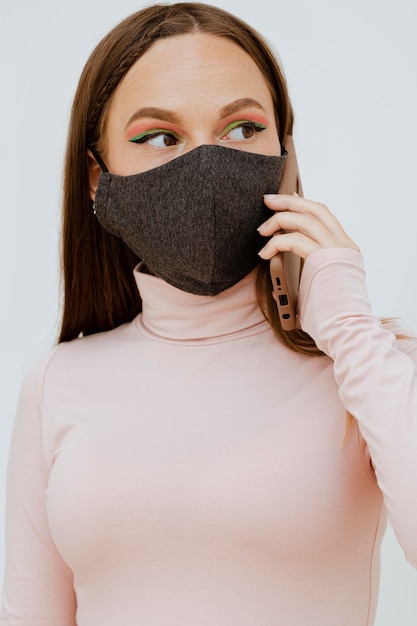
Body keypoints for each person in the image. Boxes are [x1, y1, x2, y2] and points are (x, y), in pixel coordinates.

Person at [1, 2, 416, 625]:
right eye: (159, 137)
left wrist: (350, 328)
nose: (205, 161)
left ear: (286, 154)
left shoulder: (370, 370)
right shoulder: (57, 384)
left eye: (243, 129)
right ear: (97, 179)